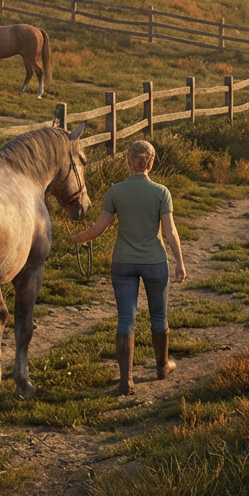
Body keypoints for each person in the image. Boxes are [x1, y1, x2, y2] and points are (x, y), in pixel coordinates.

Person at [70, 140, 188, 395]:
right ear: (150, 163)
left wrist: (76, 238)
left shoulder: (115, 191)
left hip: (123, 262)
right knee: (159, 316)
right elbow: (171, 232)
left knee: (126, 319)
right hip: (155, 262)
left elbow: (98, 229)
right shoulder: (161, 192)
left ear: (128, 162)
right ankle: (162, 367)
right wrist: (179, 262)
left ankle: (126, 381)